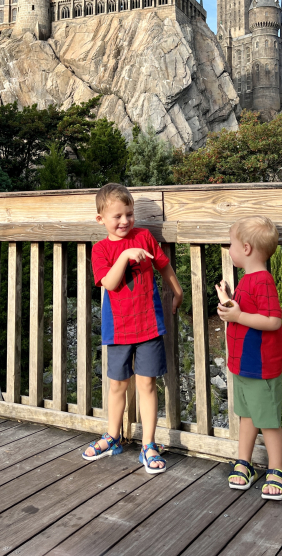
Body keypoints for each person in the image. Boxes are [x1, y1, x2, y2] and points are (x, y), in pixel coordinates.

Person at [82, 183, 183, 473]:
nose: (125, 221)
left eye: (129, 214)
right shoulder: (100, 250)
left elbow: (163, 265)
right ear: (101, 219)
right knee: (117, 384)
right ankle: (112, 436)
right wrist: (126, 257)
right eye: (117, 216)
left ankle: (148, 444)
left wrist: (177, 291)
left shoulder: (144, 237)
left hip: (149, 324)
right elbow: (110, 283)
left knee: (148, 384)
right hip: (118, 327)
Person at [216, 215, 282, 499]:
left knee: (268, 420)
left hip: (261, 366)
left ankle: (277, 469)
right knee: (247, 416)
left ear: (245, 248)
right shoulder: (247, 280)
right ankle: (244, 463)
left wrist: (238, 315)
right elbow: (246, 315)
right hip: (243, 364)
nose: (229, 250)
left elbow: (273, 321)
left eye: (231, 245)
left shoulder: (263, 280)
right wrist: (231, 304)